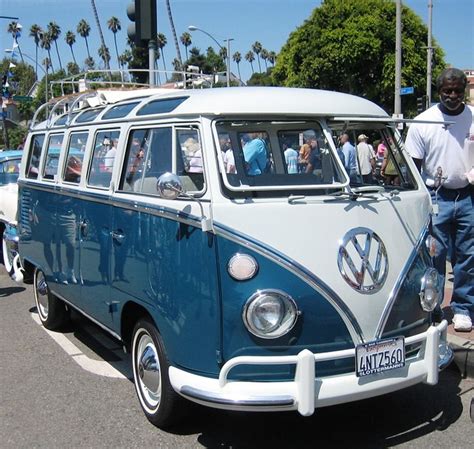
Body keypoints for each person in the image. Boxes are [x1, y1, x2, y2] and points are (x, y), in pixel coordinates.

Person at [405, 67, 474, 332]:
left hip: (468, 196)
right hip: (436, 196)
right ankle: (432, 308)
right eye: (447, 91)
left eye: (458, 90)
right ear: (438, 91)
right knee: (435, 255)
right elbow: (413, 166)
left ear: (464, 90)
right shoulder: (424, 121)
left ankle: (463, 308)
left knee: (468, 256)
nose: (453, 96)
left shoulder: (472, 117)